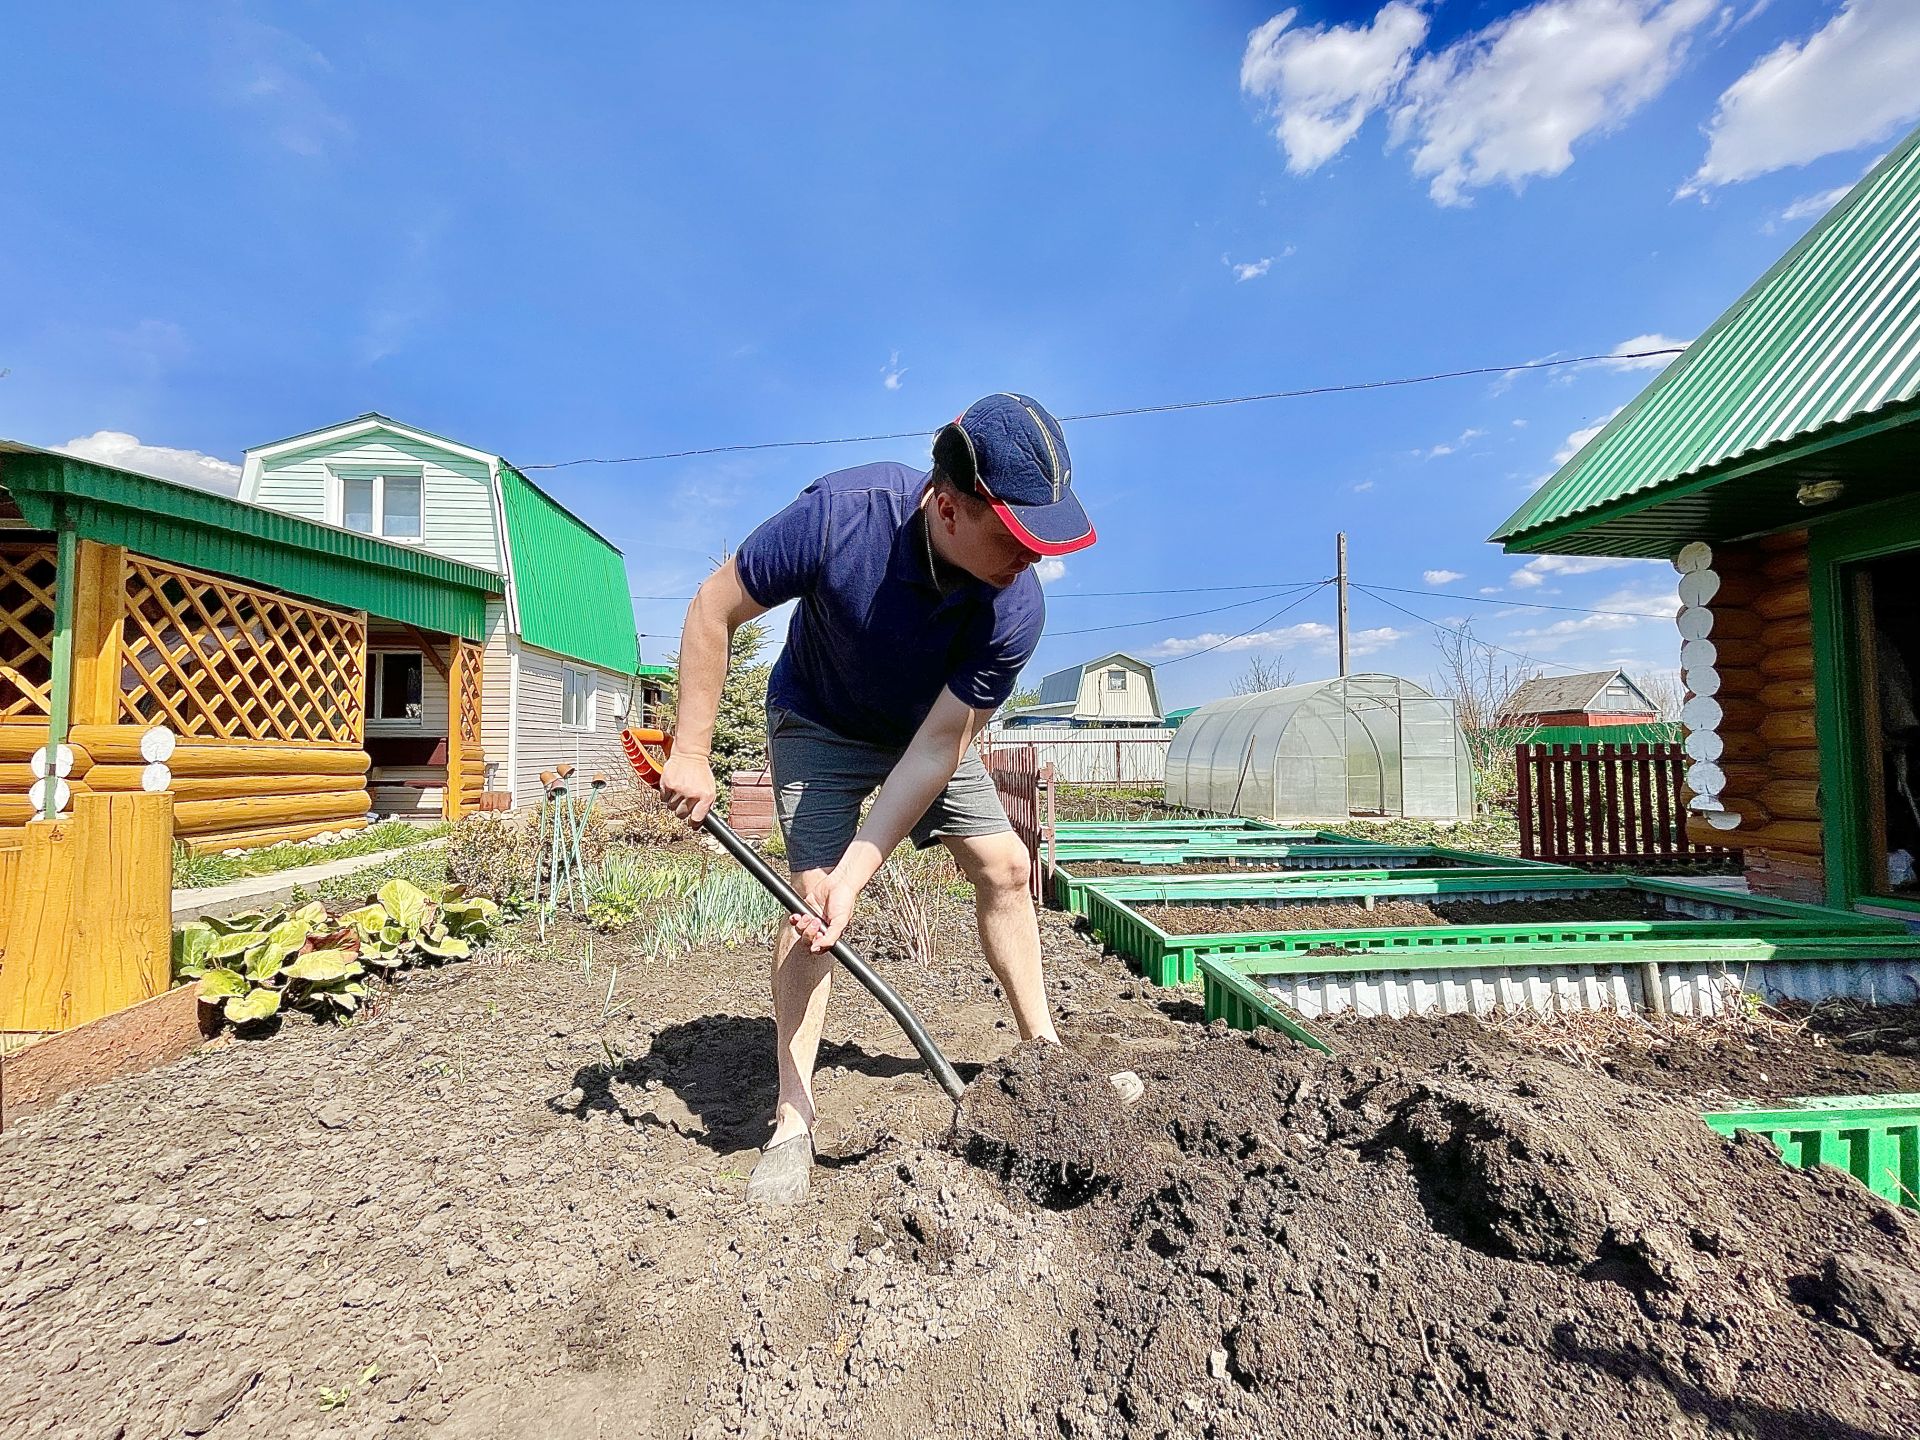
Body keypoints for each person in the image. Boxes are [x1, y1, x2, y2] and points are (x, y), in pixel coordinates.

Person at [659, 393, 1096, 1204]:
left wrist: (861, 879)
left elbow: (937, 748)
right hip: (818, 717)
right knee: (810, 897)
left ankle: (1045, 1054)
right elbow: (713, 607)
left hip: (922, 730)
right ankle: (793, 1118)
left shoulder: (1016, 606)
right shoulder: (840, 516)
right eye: (1016, 538)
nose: (1031, 559)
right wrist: (690, 750)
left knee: (1004, 865)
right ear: (948, 506)